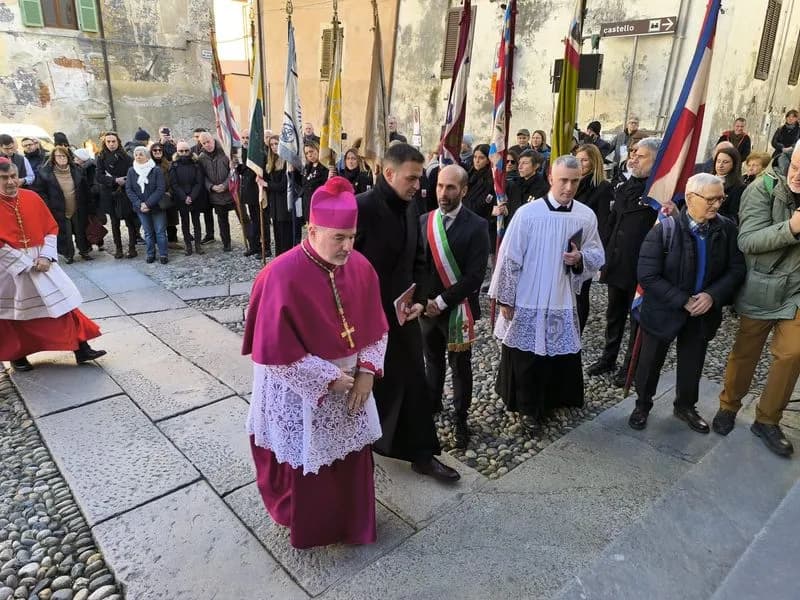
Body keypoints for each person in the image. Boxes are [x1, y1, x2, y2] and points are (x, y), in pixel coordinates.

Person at [242, 176, 388, 549]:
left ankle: (353, 523)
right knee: (309, 458)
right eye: (338, 238)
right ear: (312, 230)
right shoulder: (280, 274)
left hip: (353, 384)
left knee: (350, 456)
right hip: (301, 389)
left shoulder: (361, 266)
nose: (348, 247)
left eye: (352, 237)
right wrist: (326, 378)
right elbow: (274, 354)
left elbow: (376, 328)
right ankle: (316, 527)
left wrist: (367, 372)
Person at [354, 143, 459, 482]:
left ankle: (422, 454)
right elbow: (343, 266)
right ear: (389, 173)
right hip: (363, 320)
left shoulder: (412, 206)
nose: (418, 185)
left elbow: (420, 260)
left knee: (413, 381)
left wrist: (421, 299)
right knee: (364, 385)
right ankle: (361, 447)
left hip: (403, 317)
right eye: (411, 178)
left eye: (419, 178)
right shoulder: (360, 208)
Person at [490, 155, 605, 435]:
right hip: (528, 295)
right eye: (563, 180)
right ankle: (527, 408)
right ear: (551, 178)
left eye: (574, 181)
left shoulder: (585, 215)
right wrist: (506, 298)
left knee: (556, 352)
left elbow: (597, 253)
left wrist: (580, 258)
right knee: (527, 355)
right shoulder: (528, 214)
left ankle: (553, 400)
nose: (568, 187)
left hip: (561, 295)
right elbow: (509, 258)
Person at [628, 173, 745, 432]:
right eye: (711, 199)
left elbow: (736, 269)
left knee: (693, 362)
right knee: (650, 361)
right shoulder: (665, 230)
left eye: (721, 198)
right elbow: (647, 275)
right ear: (690, 198)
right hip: (664, 310)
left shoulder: (726, 229)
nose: (717, 204)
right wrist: (682, 300)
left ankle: (685, 406)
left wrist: (712, 296)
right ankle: (642, 404)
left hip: (702, 312)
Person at [711, 143, 800, 457]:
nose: (797, 176)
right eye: (795, 167)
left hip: (796, 291)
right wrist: (791, 228)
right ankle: (728, 405)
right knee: (746, 351)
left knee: (792, 354)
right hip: (761, 285)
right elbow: (747, 240)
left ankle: (767, 419)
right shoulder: (762, 188)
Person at [0, 159, 106, 371]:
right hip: (10, 269)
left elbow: (50, 227)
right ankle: (17, 356)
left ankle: (81, 348)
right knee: (12, 314)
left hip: (41, 261)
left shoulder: (32, 197)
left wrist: (47, 257)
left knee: (63, 305)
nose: (11, 182)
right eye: (4, 178)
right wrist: (24, 263)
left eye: (13, 176)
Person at [420, 165, 490, 448]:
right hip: (428, 311)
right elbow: (417, 265)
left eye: (450, 187)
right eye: (440, 186)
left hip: (457, 309)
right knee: (432, 361)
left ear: (463, 190)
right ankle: (432, 404)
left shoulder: (477, 226)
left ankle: (461, 417)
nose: (443, 193)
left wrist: (441, 301)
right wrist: (423, 300)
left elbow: (475, 276)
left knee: (460, 367)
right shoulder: (425, 220)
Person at [588, 137, 663, 385]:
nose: (633, 159)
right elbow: (612, 222)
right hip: (618, 261)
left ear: (656, 160)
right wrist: (604, 254)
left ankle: (630, 364)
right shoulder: (624, 186)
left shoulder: (659, 192)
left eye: (640, 156)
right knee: (614, 314)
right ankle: (608, 357)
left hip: (640, 266)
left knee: (636, 318)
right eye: (633, 154)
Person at [574, 143, 613, 332]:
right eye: (577, 160)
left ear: (593, 162)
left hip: (585, 245)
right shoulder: (572, 183)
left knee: (580, 293)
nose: (580, 164)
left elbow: (603, 222)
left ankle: (577, 332)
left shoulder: (602, 187)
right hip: (566, 243)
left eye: (584, 160)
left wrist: (598, 254)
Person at [34, 146, 92, 264]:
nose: (62, 158)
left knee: (80, 229)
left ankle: (84, 250)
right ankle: (68, 254)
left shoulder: (77, 170)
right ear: (53, 158)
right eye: (59, 156)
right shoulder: (45, 173)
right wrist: (48, 205)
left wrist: (89, 205)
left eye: (64, 155)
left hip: (77, 206)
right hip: (58, 208)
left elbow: (85, 189)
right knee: (64, 232)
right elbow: (40, 191)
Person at [95, 131, 137, 259]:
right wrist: (114, 180)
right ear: (105, 143)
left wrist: (124, 180)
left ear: (118, 142)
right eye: (108, 141)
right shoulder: (101, 157)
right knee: (115, 222)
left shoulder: (126, 157)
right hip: (110, 194)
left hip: (124, 192)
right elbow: (99, 176)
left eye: (113, 141)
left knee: (130, 221)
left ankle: (132, 247)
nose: (111, 144)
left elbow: (132, 172)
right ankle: (118, 248)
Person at [125, 147, 168, 264]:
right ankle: (150, 254)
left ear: (147, 156)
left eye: (141, 154)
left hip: (156, 206)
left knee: (160, 231)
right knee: (148, 232)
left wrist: (148, 203)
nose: (138, 157)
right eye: (136, 155)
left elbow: (160, 188)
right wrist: (139, 204)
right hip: (141, 208)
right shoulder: (131, 171)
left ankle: (163, 254)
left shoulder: (156, 170)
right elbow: (129, 189)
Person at [197, 132, 235, 252]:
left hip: (231, 192)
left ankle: (252, 242)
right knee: (222, 221)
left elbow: (233, 171)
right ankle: (226, 244)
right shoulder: (202, 157)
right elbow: (202, 177)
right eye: (204, 143)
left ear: (213, 140)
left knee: (243, 218)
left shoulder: (225, 151)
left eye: (208, 141)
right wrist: (212, 187)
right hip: (216, 195)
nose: (207, 145)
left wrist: (225, 185)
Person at [168, 140, 206, 256]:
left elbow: (199, 182)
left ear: (190, 151)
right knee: (185, 223)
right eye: (181, 151)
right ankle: (188, 246)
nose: (184, 153)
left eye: (186, 150)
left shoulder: (196, 164)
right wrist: (184, 197)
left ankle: (198, 245)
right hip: (181, 198)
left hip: (195, 197)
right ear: (177, 152)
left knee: (196, 222)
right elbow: (174, 184)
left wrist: (192, 196)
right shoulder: (174, 165)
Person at [239, 133, 270, 258]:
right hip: (249, 192)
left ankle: (266, 248)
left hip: (259, 190)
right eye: (243, 138)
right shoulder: (241, 152)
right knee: (254, 221)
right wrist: (235, 165)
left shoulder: (259, 151)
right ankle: (255, 246)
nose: (245, 140)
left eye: (247, 138)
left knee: (263, 220)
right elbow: (242, 171)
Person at [500, 149, 548, 224]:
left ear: (536, 166)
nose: (520, 167)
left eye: (525, 163)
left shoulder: (543, 188)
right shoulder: (514, 184)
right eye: (519, 163)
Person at [264, 135, 293, 256]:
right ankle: (279, 258)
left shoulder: (287, 162)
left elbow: (282, 186)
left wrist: (266, 184)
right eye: (271, 145)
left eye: (276, 144)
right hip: (275, 205)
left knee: (285, 235)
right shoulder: (272, 162)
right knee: (277, 235)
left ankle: (286, 259)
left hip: (284, 204)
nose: (274, 147)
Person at [150, 142, 181, 249]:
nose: (157, 152)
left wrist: (170, 192)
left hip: (168, 195)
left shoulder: (168, 164)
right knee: (156, 220)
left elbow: (174, 180)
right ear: (151, 152)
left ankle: (172, 240)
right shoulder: (148, 165)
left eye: (160, 150)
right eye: (155, 150)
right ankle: (158, 241)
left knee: (170, 219)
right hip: (154, 197)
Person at [298, 141, 329, 230]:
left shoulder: (325, 167)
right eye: (307, 153)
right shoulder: (307, 167)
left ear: (318, 150)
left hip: (320, 208)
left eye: (311, 151)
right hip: (308, 207)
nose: (309, 155)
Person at [713, 145, 746, 224]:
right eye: (718, 161)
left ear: (734, 164)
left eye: (725, 162)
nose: (720, 165)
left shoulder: (739, 187)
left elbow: (733, 216)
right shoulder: (705, 179)